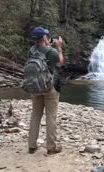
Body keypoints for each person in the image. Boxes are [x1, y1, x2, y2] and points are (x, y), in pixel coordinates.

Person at [28, 26, 64, 155]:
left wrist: (49, 44)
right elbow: (60, 63)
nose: (48, 37)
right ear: (44, 37)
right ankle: (51, 147)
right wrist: (59, 47)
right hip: (49, 87)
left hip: (34, 86)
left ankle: (32, 146)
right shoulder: (51, 51)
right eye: (46, 36)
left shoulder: (31, 50)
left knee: (35, 115)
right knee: (51, 116)